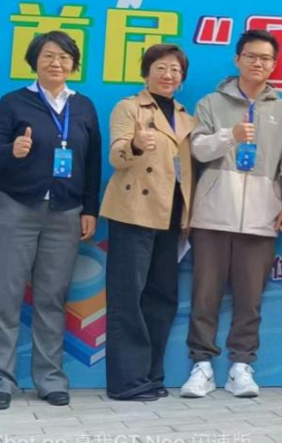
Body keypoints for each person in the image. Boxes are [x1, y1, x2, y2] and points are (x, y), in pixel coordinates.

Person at [0, 31, 101, 410]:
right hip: (16, 208)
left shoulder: (83, 107)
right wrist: (11, 150)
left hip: (65, 213)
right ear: (34, 61)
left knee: (52, 298)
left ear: (73, 65)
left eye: (64, 57)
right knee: (5, 295)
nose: (56, 63)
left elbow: (92, 163)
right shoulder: (13, 102)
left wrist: (90, 209)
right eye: (48, 56)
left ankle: (50, 379)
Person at [180, 30, 282, 399]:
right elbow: (197, 150)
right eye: (251, 56)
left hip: (262, 217)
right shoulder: (211, 103)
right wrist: (230, 136)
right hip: (213, 214)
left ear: (274, 65)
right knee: (205, 295)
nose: (257, 63)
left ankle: (241, 367)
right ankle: (201, 365)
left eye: (265, 58)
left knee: (250, 299)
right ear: (237, 59)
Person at [101, 44, 195, 401]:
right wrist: (136, 145)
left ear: (182, 78)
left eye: (175, 70)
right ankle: (126, 382)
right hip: (134, 212)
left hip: (171, 215)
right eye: (160, 67)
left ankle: (152, 375)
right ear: (146, 73)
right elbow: (116, 155)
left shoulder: (186, 117)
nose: (168, 75)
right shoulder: (129, 107)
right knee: (128, 297)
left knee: (162, 298)